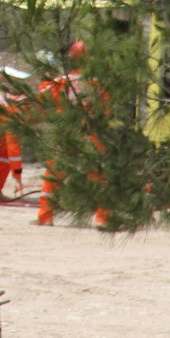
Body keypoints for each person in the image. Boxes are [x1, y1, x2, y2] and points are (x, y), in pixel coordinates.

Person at [34, 41, 107, 227]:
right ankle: (103, 218)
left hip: (65, 133)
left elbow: (41, 102)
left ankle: (46, 216)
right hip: (91, 133)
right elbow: (106, 110)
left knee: (54, 174)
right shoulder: (98, 84)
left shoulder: (59, 83)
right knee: (99, 175)